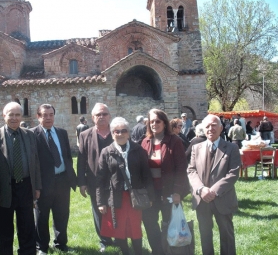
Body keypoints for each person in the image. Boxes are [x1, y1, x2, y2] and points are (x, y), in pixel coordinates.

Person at [0, 101, 42, 255]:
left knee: (27, 226)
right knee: (5, 229)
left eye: (17, 114)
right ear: (4, 116)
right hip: (4, 188)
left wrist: (37, 186)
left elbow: (36, 162)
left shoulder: (29, 135)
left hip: (25, 186)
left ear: (21, 116)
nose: (14, 118)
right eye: (10, 114)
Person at [96, 117, 154, 255]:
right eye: (117, 131)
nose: (120, 134)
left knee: (135, 228)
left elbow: (146, 174)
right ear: (112, 133)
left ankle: (138, 252)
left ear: (128, 133)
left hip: (135, 196)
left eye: (124, 131)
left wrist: (151, 196)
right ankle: (125, 252)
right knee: (119, 229)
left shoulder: (138, 150)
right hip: (116, 196)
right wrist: (101, 202)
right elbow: (100, 179)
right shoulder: (106, 152)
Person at [187, 114, 241, 255]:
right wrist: (201, 189)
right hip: (202, 200)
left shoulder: (231, 148)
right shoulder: (196, 148)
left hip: (223, 199)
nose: (210, 128)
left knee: (227, 235)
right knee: (205, 236)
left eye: (213, 125)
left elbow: (233, 173)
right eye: (207, 126)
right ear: (203, 129)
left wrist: (213, 191)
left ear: (221, 128)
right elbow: (191, 170)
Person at [141, 109, 190, 255]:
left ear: (164, 122)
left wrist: (177, 192)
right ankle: (158, 251)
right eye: (151, 121)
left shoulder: (174, 141)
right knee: (149, 222)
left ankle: (171, 250)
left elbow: (182, 168)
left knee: (169, 224)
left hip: (169, 191)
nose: (154, 124)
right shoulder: (145, 142)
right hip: (150, 193)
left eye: (157, 121)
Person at [31, 104, 77, 254]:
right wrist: (35, 186)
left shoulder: (62, 133)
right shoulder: (32, 135)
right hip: (43, 184)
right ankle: (42, 247)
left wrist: (72, 177)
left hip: (62, 181)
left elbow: (68, 157)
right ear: (38, 117)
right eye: (44, 115)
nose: (48, 118)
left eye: (51, 114)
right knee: (41, 217)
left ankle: (61, 244)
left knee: (62, 214)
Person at [77, 103, 114, 252]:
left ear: (109, 116)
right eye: (98, 115)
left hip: (115, 180)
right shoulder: (85, 135)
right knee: (98, 210)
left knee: (115, 208)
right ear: (92, 118)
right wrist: (82, 182)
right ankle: (104, 240)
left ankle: (118, 237)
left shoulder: (117, 132)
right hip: (94, 180)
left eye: (104, 114)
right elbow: (81, 160)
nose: (101, 117)